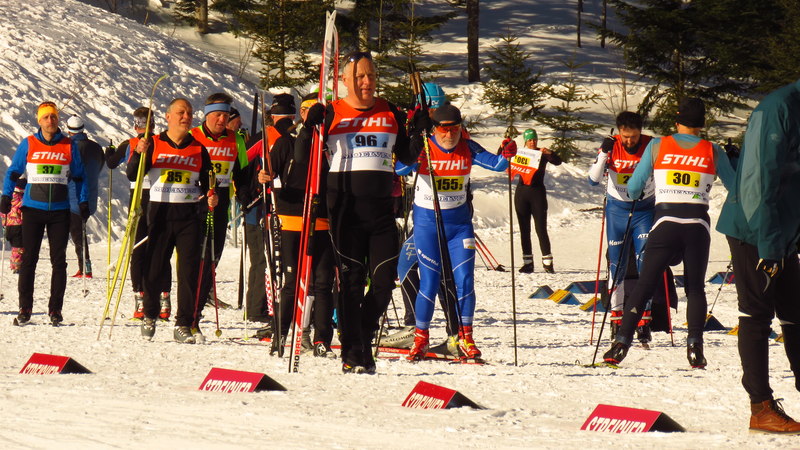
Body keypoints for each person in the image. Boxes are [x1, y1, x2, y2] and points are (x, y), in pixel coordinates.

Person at [297, 50, 422, 373]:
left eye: (371, 75)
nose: (366, 82)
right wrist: (308, 127)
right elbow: (302, 159)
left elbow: (407, 156)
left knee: (384, 282)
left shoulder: (390, 111)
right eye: (359, 76)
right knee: (351, 284)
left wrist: (418, 133)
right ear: (344, 80)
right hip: (344, 210)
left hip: (381, 212)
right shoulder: (331, 113)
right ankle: (353, 354)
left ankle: (361, 335)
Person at [603, 97, 735, 368]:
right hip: (697, 226)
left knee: (645, 284)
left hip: (665, 223)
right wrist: (734, 159)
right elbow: (736, 187)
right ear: (702, 124)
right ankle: (695, 348)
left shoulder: (658, 145)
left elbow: (635, 189)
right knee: (695, 288)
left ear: (677, 121)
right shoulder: (712, 150)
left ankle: (621, 344)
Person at [717, 80, 800, 433]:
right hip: (754, 229)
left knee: (796, 314)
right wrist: (768, 245)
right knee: (757, 314)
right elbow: (757, 180)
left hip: (784, 231)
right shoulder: (777, 108)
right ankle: (760, 407)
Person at [395, 103, 509, 360]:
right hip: (427, 225)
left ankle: (465, 337)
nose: (450, 134)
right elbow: (399, 169)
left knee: (465, 280)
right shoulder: (425, 146)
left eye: (455, 128)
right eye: (444, 129)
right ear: (435, 129)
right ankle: (421, 338)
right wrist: (414, 146)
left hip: (459, 226)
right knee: (429, 281)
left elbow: (498, 165)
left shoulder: (468, 147)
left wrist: (508, 152)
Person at [127, 98, 216, 343]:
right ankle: (150, 314)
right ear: (168, 117)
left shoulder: (198, 148)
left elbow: (208, 181)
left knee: (188, 272)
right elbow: (132, 174)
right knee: (154, 269)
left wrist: (211, 195)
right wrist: (138, 153)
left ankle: (183, 323)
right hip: (160, 214)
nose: (185, 117)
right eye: (180, 112)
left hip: (189, 217)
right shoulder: (153, 144)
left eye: (189, 113)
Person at [258, 92, 336, 358]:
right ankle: (280, 334)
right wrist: (264, 176)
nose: (311, 114)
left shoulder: (330, 141)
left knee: (323, 282)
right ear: (301, 114)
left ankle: (322, 339)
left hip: (322, 218)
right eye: (307, 110)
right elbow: (270, 172)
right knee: (292, 281)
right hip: (292, 217)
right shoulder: (288, 140)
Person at [0, 101, 88, 326]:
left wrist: (83, 201)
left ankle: (55, 310)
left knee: (59, 262)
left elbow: (80, 176)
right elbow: (14, 172)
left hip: (60, 211)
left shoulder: (68, 145)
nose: (51, 120)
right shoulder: (29, 143)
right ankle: (25, 309)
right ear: (39, 120)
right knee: (29, 260)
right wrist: (6, 196)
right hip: (33, 209)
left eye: (54, 117)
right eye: (46, 117)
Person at [587, 112, 656, 342]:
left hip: (644, 211)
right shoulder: (612, 145)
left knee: (645, 264)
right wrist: (603, 154)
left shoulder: (650, 145)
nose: (629, 141)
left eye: (634, 136)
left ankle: (644, 320)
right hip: (617, 211)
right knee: (617, 266)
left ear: (640, 132)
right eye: (625, 136)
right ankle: (616, 320)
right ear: (619, 132)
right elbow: (593, 180)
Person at [106, 107, 172, 320]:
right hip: (159, 196)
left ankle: (140, 299)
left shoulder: (130, 144)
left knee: (138, 249)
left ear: (136, 125)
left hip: (139, 198)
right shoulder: (161, 141)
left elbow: (111, 163)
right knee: (161, 248)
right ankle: (164, 299)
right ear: (153, 124)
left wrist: (109, 152)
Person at [191, 92, 248, 316]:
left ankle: (203, 295)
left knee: (214, 254)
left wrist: (245, 196)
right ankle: (191, 300)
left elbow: (242, 174)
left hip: (222, 200)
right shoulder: (193, 136)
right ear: (207, 114)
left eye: (226, 115)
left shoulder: (236, 140)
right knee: (196, 254)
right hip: (196, 200)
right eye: (217, 115)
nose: (222, 120)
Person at [509, 128, 561, 273]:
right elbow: (503, 157)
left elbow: (558, 161)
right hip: (521, 193)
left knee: (540, 228)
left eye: (534, 140)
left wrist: (550, 153)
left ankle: (548, 262)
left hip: (537, 193)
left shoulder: (541, 153)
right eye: (530, 140)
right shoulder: (520, 153)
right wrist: (503, 147)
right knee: (524, 229)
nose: (532, 142)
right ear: (525, 141)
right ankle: (528, 263)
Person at [65, 115, 104, 278]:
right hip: (91, 195)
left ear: (69, 130)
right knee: (80, 231)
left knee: (77, 234)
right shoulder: (96, 147)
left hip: (73, 196)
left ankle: (85, 268)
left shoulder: (69, 147)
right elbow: (100, 167)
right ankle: (85, 267)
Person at [2, 177, 26, 273]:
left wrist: (4, 223)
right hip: (18, 226)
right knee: (19, 248)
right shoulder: (22, 200)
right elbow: (23, 213)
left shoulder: (8, 198)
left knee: (14, 248)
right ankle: (17, 267)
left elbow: (3, 212)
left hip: (8, 226)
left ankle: (14, 265)